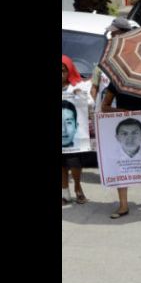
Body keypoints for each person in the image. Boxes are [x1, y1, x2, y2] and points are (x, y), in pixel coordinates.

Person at [101, 81, 141, 219]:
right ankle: (123, 204)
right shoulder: (117, 80)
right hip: (122, 124)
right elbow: (104, 107)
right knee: (121, 164)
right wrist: (120, 111)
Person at [62, 55, 91, 206]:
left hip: (72, 135)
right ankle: (65, 193)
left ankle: (78, 188)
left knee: (74, 163)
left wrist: (80, 95)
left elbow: (90, 103)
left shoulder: (78, 85)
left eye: (63, 71)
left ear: (69, 71)